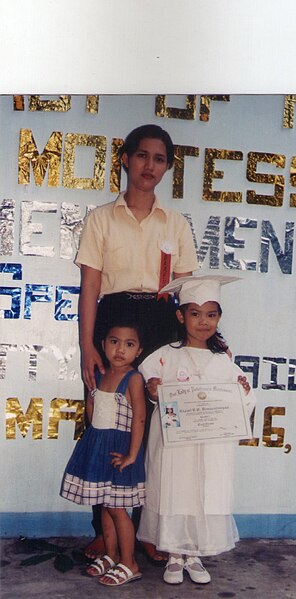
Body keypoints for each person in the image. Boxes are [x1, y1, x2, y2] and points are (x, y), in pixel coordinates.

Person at [75, 123, 199, 561]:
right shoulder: (101, 219)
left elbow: (186, 290)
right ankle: (105, 528)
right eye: (143, 155)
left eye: (160, 159)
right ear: (125, 159)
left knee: (155, 430)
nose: (150, 166)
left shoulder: (177, 224)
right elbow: (90, 287)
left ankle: (147, 529)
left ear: (167, 168)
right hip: (112, 321)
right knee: (107, 424)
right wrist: (88, 346)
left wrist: (194, 347)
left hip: (161, 323)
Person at [137, 274, 257, 585]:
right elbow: (149, 391)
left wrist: (243, 391)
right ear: (181, 316)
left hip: (211, 446)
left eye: (211, 314)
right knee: (175, 491)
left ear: (219, 317)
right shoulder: (166, 355)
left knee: (203, 492)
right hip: (174, 444)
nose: (203, 321)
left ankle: (195, 555)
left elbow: (243, 404)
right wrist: (153, 390)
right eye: (195, 313)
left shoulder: (223, 362)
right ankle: (175, 555)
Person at [61, 318, 146, 587]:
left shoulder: (133, 379)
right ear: (103, 345)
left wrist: (132, 455)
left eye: (129, 344)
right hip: (99, 449)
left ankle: (130, 562)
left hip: (121, 452)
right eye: (114, 342)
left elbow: (140, 419)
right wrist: (93, 444)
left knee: (118, 508)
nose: (120, 350)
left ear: (139, 351)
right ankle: (111, 555)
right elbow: (91, 407)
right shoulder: (98, 375)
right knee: (105, 506)